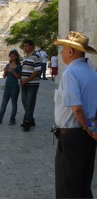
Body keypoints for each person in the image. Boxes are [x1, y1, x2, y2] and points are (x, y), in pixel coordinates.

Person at [53, 31, 97, 198]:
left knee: (68, 188)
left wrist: (86, 127)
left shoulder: (71, 73)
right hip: (88, 136)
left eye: (63, 49)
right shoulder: (91, 71)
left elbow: (76, 107)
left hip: (73, 136)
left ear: (70, 51)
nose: (62, 53)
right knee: (83, 185)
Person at [0, 50, 22, 125]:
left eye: (13, 56)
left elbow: (19, 77)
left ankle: (12, 120)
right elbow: (4, 76)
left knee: (14, 104)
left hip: (14, 87)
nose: (11, 57)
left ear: (16, 57)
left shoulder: (19, 66)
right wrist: (5, 71)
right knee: (3, 103)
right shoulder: (8, 65)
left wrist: (13, 72)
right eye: (10, 56)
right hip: (7, 86)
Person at [20, 40, 41, 132]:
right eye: (24, 46)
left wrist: (26, 81)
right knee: (25, 102)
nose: (25, 48)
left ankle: (27, 122)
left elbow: (36, 71)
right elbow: (23, 70)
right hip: (24, 84)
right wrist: (21, 80)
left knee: (29, 103)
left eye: (27, 46)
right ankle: (31, 119)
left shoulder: (36, 57)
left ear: (32, 46)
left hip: (32, 84)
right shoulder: (25, 58)